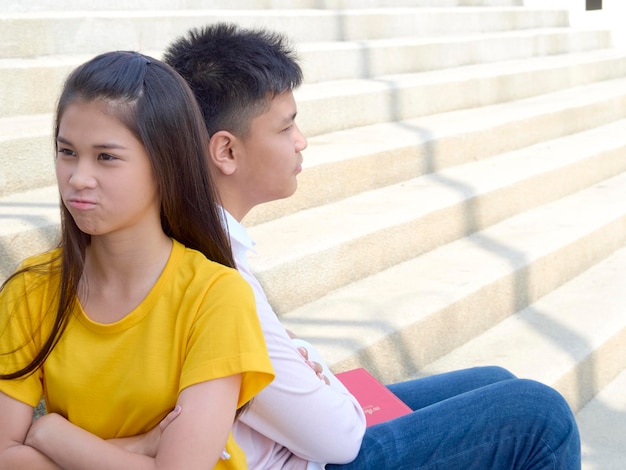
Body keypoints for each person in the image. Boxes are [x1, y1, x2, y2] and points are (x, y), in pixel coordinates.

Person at [163, 23, 581, 469]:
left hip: (285, 438)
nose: (301, 141)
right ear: (225, 151)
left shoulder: (200, 236)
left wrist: (305, 366)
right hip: (301, 458)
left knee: (495, 380)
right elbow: (337, 442)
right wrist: (313, 369)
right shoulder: (217, 275)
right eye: (286, 129)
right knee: (537, 416)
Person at [0, 50, 274, 469]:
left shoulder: (216, 296)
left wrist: (50, 433)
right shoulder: (33, 287)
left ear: (166, 164)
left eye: (106, 157)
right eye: (67, 152)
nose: (78, 178)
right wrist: (138, 449)